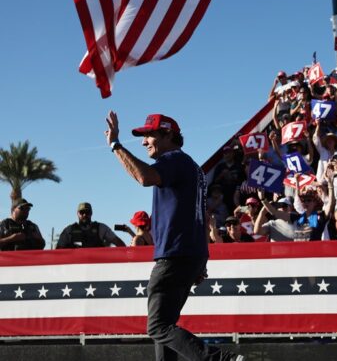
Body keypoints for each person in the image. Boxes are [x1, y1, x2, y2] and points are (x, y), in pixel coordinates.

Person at [105, 111, 243, 361]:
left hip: (174, 257)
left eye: (149, 135)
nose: (144, 141)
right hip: (189, 257)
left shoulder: (174, 161)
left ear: (168, 134)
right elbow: (202, 217)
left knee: (157, 326)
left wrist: (115, 145)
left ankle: (223, 359)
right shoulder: (193, 168)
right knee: (165, 326)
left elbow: (144, 177)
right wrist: (202, 259)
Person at [56, 202, 126, 248]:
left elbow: (118, 243)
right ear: (77, 213)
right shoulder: (69, 230)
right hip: (76, 267)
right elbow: (59, 250)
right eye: (82, 212)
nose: (84, 215)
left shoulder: (101, 228)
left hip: (97, 266)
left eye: (87, 212)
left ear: (91, 213)